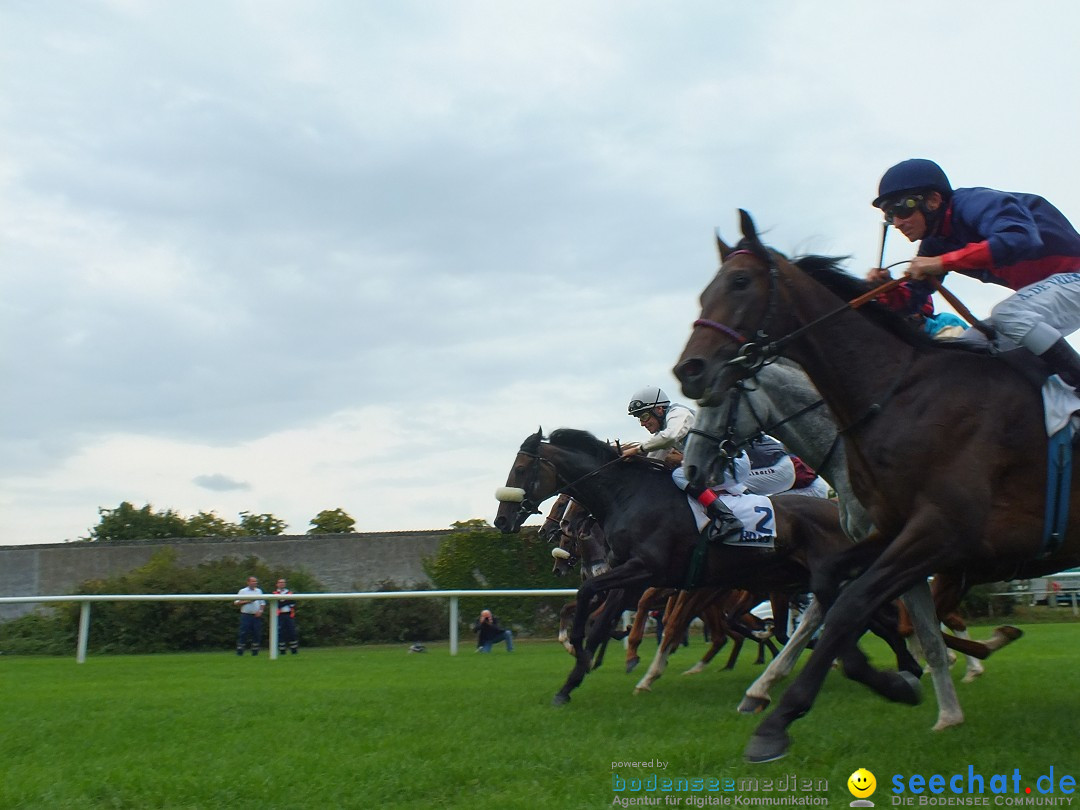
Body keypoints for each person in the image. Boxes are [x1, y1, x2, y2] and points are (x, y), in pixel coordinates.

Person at [872, 158, 1080, 385]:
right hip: (1050, 291)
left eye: (902, 208)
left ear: (933, 200)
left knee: (1008, 314)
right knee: (964, 348)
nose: (897, 222)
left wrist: (942, 262)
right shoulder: (935, 243)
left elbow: (1020, 238)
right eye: (889, 215)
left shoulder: (975, 203)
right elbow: (912, 302)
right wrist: (881, 290)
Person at [620, 386, 745, 542]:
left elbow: (670, 437)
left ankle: (728, 519)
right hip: (718, 466)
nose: (643, 423)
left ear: (659, 409)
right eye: (639, 418)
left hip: (734, 463)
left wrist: (637, 449)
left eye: (644, 416)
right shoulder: (664, 432)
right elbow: (654, 464)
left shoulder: (678, 414)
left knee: (680, 474)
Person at [234, 575, 265, 656]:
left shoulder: (259, 591)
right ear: (248, 582)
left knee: (256, 633)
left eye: (256, 581)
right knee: (243, 633)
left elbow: (262, 603)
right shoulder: (243, 591)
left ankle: (255, 652)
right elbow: (236, 602)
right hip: (246, 615)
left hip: (256, 615)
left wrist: (260, 611)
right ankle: (240, 651)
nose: (255, 583)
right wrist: (247, 601)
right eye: (253, 581)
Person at [273, 577, 299, 655]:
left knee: (292, 632)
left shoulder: (290, 593)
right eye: (280, 582)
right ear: (277, 584)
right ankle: (282, 650)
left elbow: (292, 603)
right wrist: (286, 601)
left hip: (289, 615)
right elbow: (278, 604)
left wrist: (283, 601)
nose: (282, 584)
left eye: (283, 582)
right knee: (280, 632)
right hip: (279, 615)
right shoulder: (274, 593)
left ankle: (294, 650)